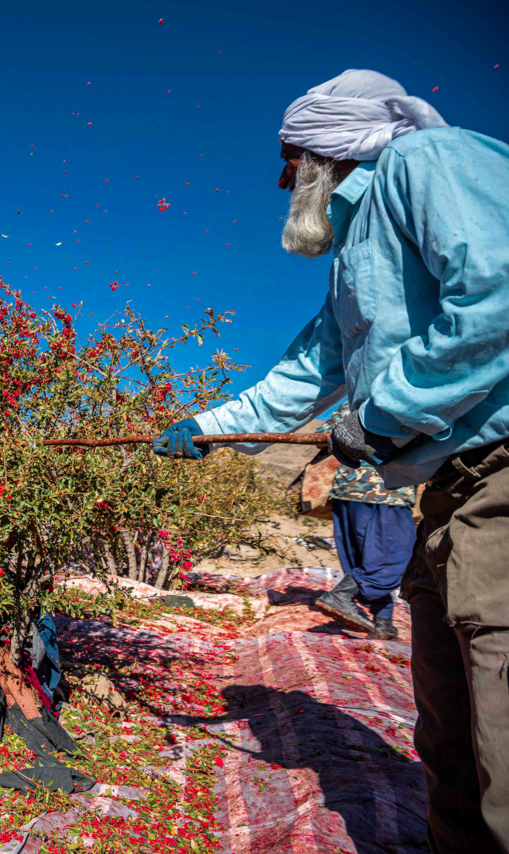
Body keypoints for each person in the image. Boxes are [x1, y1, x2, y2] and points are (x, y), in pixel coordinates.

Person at [153, 70, 509, 853]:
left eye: (290, 156)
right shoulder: (352, 261)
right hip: (447, 496)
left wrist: (380, 417)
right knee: (451, 738)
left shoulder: (429, 163)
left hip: (501, 479)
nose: (283, 177)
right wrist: (202, 429)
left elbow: (498, 295)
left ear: (330, 149)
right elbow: (300, 380)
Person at [312, 401, 416, 641]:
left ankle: (383, 622)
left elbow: (322, 436)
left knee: (365, 559)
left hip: (346, 491)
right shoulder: (404, 395)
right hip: (386, 491)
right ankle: (341, 596)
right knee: (395, 558)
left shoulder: (352, 400)